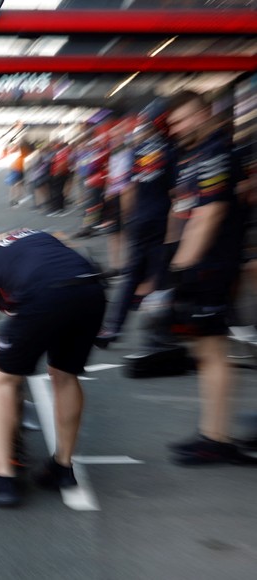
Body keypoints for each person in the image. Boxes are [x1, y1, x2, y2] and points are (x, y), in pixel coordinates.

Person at [0, 223, 105, 507]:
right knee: (64, 374)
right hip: (91, 288)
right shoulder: (27, 235)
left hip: (46, 291)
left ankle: (0, 481)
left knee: (2, 380)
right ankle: (62, 467)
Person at [162, 90, 254, 465]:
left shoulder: (216, 154)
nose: (177, 128)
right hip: (202, 265)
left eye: (183, 120)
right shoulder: (194, 157)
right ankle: (213, 434)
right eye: (173, 124)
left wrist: (181, 270)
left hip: (213, 267)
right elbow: (184, 209)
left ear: (203, 115)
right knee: (206, 351)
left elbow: (210, 214)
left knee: (213, 351)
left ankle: (218, 439)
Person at [95, 100, 176, 347]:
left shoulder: (139, 151)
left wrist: (130, 220)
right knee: (160, 277)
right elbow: (177, 194)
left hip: (139, 219)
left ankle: (112, 329)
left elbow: (128, 190)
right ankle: (158, 333)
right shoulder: (173, 150)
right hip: (162, 220)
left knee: (132, 276)